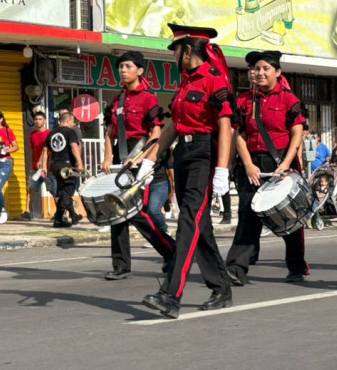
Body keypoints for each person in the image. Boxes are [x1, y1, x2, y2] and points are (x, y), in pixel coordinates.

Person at [141, 24, 236, 319]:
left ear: (189, 50)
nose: (173, 55)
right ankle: (221, 287)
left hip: (205, 154)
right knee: (199, 224)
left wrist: (221, 170)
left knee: (188, 221)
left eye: (175, 50)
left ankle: (171, 294)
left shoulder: (214, 80)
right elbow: (173, 125)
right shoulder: (185, 83)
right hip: (183, 152)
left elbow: (226, 126)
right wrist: (150, 159)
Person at [226, 50, 310, 284]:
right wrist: (247, 164)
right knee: (247, 214)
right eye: (256, 69)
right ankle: (236, 268)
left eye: (265, 69)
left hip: (281, 162)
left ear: (277, 72)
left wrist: (285, 163)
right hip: (252, 164)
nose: (259, 73)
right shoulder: (244, 101)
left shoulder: (288, 100)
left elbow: (297, 134)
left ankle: (296, 266)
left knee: (288, 216)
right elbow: (240, 135)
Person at [100, 50, 176, 282]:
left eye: (128, 66)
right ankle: (120, 264)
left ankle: (171, 251)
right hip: (122, 159)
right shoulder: (117, 100)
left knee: (142, 213)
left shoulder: (149, 98)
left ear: (140, 71)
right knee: (117, 211)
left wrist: (142, 158)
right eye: (120, 66)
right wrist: (106, 158)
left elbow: (156, 131)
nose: (123, 70)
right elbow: (110, 132)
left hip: (145, 158)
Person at [38, 112, 83, 228]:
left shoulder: (51, 133)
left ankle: (72, 215)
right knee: (67, 192)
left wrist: (44, 167)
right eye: (73, 121)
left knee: (63, 192)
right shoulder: (70, 132)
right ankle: (58, 219)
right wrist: (80, 163)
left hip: (55, 165)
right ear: (68, 120)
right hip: (67, 165)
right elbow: (74, 147)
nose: (73, 124)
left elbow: (44, 151)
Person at [23, 109, 55, 221]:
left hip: (47, 167)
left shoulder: (50, 134)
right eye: (36, 119)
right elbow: (32, 150)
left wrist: (43, 162)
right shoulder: (32, 135)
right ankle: (27, 211)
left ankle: (60, 212)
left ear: (45, 121)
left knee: (53, 190)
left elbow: (49, 150)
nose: (37, 121)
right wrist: (33, 162)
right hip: (35, 167)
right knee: (30, 188)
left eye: (40, 119)